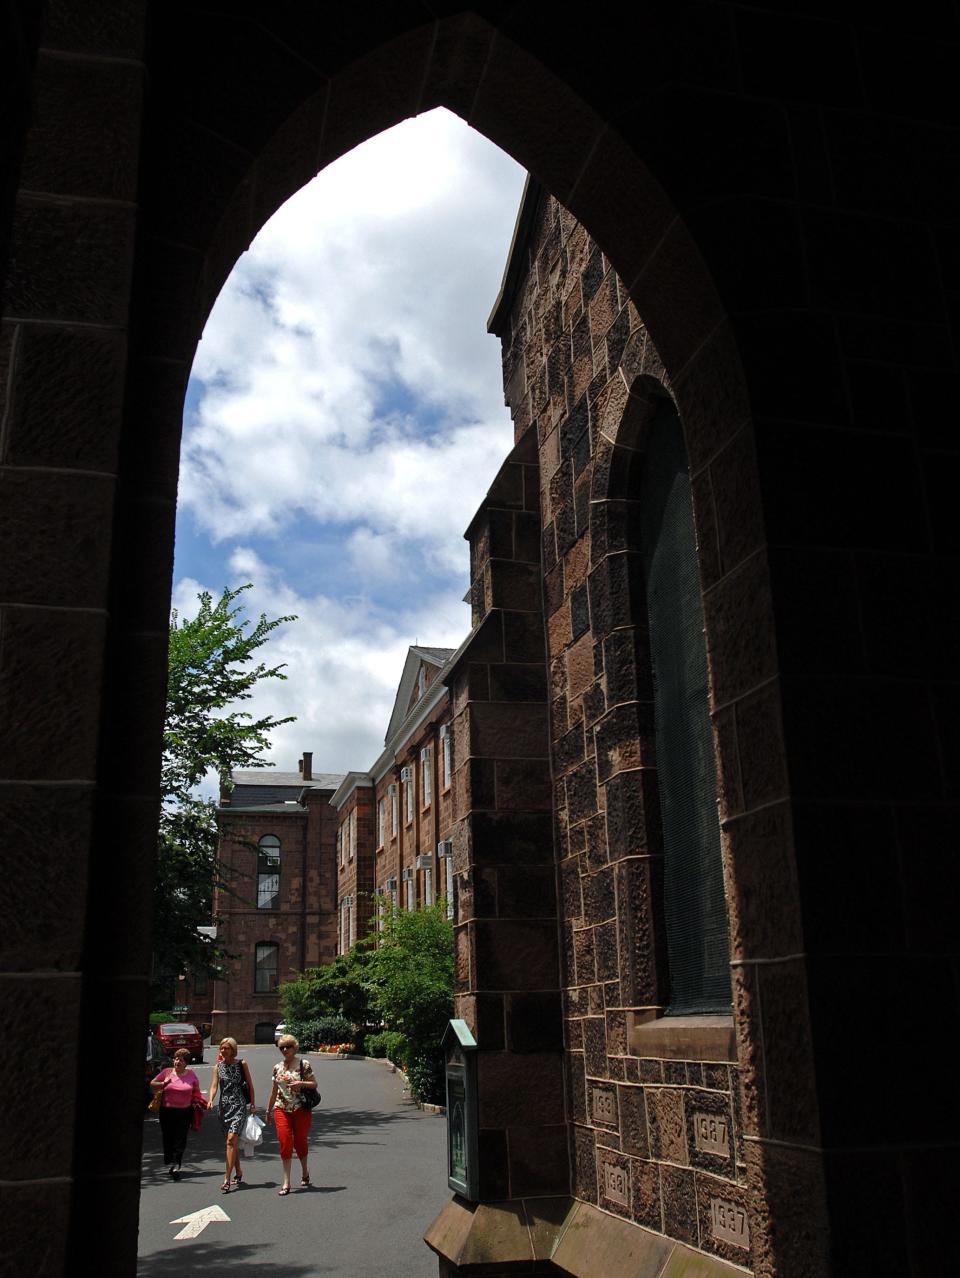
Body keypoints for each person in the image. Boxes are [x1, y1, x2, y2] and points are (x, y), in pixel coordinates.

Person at [266, 1034, 317, 1195]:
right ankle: (286, 1181)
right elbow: (274, 1091)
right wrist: (268, 1111)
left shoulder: (304, 1064)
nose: (285, 1050)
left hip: (301, 1108)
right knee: (285, 1141)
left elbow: (314, 1083)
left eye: (288, 1046)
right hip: (281, 1109)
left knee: (300, 1141)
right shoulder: (277, 1067)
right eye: (282, 1047)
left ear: (295, 1047)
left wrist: (301, 1083)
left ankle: (304, 1172)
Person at [207, 1036, 255, 1192]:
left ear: (233, 1050)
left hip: (239, 1106)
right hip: (224, 1108)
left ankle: (227, 1179)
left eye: (226, 1048)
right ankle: (239, 1171)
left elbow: (250, 1085)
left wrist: (252, 1105)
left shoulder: (242, 1064)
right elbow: (214, 1086)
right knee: (231, 1143)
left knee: (231, 1139)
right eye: (221, 1048)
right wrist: (210, 1099)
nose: (223, 1050)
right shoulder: (218, 1067)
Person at [150, 1048, 204, 1179]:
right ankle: (170, 1161)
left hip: (185, 1112)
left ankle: (176, 1164)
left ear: (186, 1063)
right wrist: (164, 1083)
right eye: (176, 1058)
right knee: (168, 1138)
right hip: (167, 1111)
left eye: (181, 1059)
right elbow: (152, 1084)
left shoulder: (191, 1075)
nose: (177, 1061)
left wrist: (197, 1101)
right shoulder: (167, 1072)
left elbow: (196, 1090)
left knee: (180, 1139)